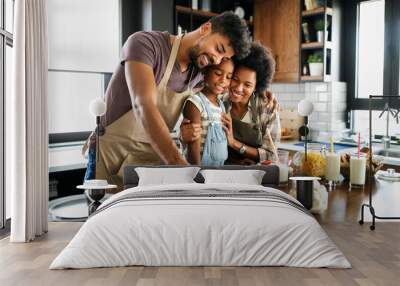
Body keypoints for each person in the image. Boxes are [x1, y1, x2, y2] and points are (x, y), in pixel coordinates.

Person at [83, 12, 251, 189]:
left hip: (149, 167)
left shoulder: (199, 74)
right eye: (218, 49)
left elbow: (228, 91)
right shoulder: (145, 45)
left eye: (224, 59)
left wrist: (261, 96)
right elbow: (143, 105)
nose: (216, 60)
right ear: (206, 28)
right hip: (111, 157)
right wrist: (180, 166)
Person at [181, 42, 280, 165]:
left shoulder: (267, 109)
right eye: (234, 79)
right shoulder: (219, 100)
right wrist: (184, 137)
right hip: (221, 170)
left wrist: (234, 143)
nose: (238, 88)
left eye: (247, 85)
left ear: (257, 86)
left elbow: (272, 154)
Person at [183, 59, 234, 166]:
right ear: (205, 72)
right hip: (200, 170)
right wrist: (197, 173)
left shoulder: (221, 105)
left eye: (228, 77)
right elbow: (193, 145)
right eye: (218, 73)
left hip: (218, 171)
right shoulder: (195, 103)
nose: (223, 80)